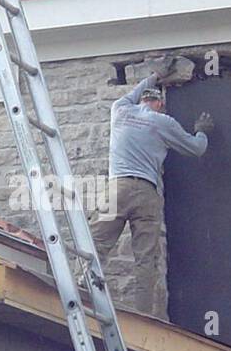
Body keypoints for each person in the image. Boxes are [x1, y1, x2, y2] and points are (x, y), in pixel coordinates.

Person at [87, 59, 215, 317]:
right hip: (145, 192)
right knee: (145, 258)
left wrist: (156, 75)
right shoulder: (163, 122)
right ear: (160, 104)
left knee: (96, 246)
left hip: (117, 189)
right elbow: (196, 148)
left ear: (141, 100)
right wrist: (202, 132)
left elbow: (136, 91)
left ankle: (82, 291)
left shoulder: (120, 110)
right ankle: (143, 315)